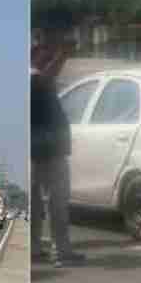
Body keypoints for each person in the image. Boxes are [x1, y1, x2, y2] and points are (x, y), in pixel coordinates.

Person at [31, 29, 84, 267]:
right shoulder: (33, 75)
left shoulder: (39, 76)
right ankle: (60, 251)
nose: (49, 56)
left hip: (43, 149)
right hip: (47, 150)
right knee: (57, 203)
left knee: (41, 204)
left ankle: (36, 249)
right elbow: (43, 81)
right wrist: (63, 55)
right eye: (46, 52)